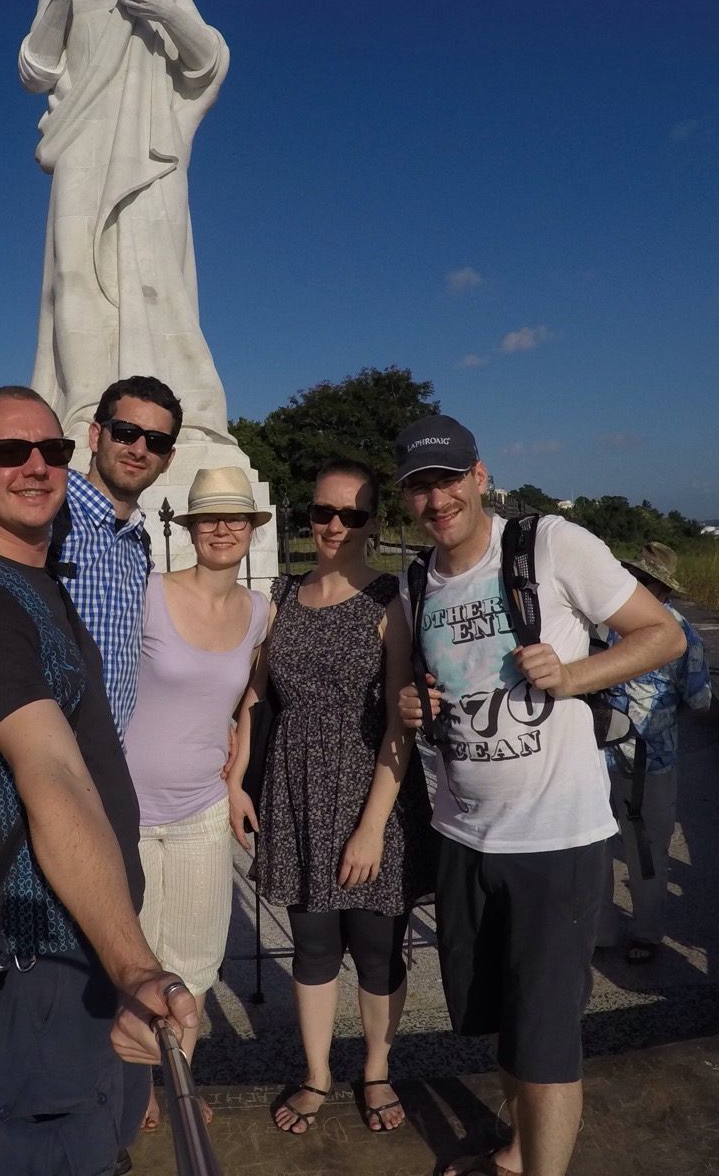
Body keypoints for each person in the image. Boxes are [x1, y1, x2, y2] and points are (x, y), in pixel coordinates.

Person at [0, 385, 196, 1176]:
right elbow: (52, 772)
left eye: (51, 450)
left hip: (73, 934)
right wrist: (137, 965)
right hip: (44, 947)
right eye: (9, 451)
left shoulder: (32, 577)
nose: (35, 466)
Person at [391, 416, 684, 1176]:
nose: (437, 500)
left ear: (480, 476)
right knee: (500, 1019)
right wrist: (413, 703)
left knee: (548, 1038)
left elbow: (662, 634)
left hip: (556, 838)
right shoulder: (416, 583)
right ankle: (519, 1153)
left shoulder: (548, 544)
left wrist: (573, 675)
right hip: (463, 834)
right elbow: (422, 690)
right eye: (420, 488)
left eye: (449, 480)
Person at [232, 458, 433, 1139]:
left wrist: (372, 826)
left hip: (371, 787)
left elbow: (401, 721)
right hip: (295, 789)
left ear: (374, 523)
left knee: (377, 947)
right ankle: (317, 1072)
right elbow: (256, 695)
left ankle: (376, 1068)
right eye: (324, 512)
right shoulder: (283, 595)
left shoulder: (388, 601)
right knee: (314, 945)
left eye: (353, 514)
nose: (336, 525)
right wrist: (235, 778)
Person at [21, 0, 236, 453]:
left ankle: (165, 412)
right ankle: (84, 412)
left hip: (149, 146)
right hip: (81, 140)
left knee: (154, 271)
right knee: (73, 273)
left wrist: (167, 14)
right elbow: (36, 71)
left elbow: (207, 61)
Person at [125, 466, 271, 1131]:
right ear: (189, 527)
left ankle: (179, 1080)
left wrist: (236, 779)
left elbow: (252, 702)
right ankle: (135, 1089)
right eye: (209, 517)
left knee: (195, 962)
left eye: (234, 517)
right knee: (133, 960)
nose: (221, 528)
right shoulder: (148, 592)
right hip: (127, 809)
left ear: (251, 528)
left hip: (202, 810)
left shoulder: (260, 612)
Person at [597, 544, 712, 966]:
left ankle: (623, 932)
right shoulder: (678, 634)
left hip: (623, 758)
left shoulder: (606, 624)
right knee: (627, 849)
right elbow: (699, 701)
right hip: (624, 757)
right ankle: (625, 932)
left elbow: (701, 700)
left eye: (642, 579)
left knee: (625, 850)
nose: (635, 584)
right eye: (634, 575)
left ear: (662, 588)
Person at [56, 375, 180, 739]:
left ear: (168, 459)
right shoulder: (49, 514)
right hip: (37, 756)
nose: (139, 450)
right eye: (126, 433)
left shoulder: (139, 542)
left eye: (156, 441)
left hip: (109, 755)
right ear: (96, 436)